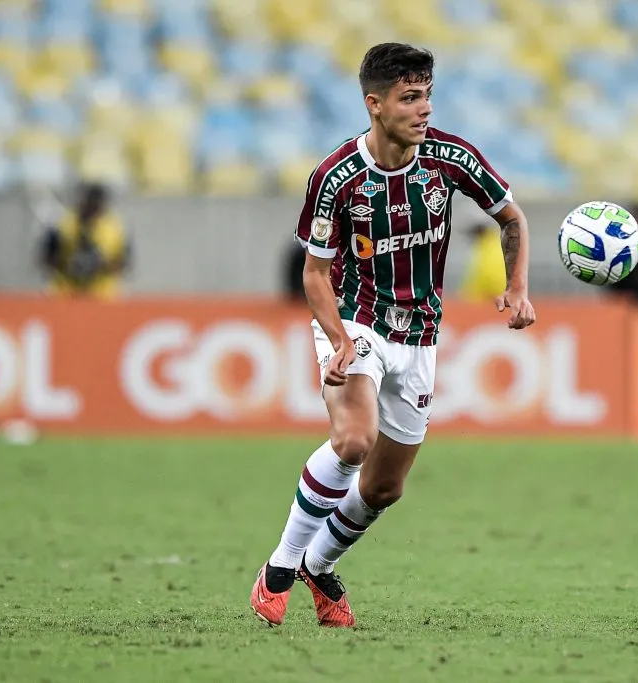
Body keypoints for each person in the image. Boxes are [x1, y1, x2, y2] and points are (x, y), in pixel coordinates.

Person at [250, 42, 537, 629]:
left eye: (428, 95)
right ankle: (278, 570)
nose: (423, 108)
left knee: (383, 489)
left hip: (421, 336)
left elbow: (511, 217)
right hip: (356, 321)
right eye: (410, 97)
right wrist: (340, 339)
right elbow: (313, 272)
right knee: (354, 440)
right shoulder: (335, 177)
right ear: (374, 104)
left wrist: (518, 287)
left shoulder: (450, 158)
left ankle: (318, 566)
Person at [38, 183, 132, 299]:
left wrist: (100, 264)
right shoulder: (63, 224)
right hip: (66, 288)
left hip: (102, 292)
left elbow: (124, 262)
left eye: (95, 206)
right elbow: (47, 258)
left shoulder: (115, 228)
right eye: (89, 205)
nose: (91, 210)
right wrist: (69, 264)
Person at [458, 203, 508, 302]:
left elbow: (483, 280)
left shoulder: (488, 248)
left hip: (490, 301)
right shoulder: (496, 243)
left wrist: (466, 298)